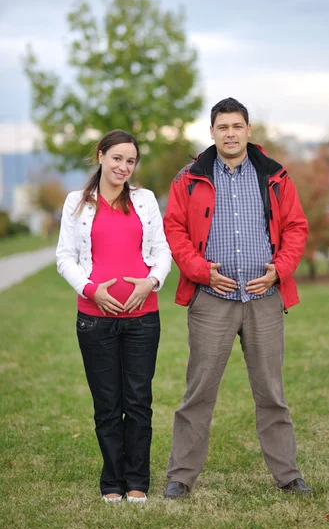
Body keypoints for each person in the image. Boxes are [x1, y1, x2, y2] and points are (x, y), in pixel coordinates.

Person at [163, 97, 312, 499]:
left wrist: (279, 269)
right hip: (211, 298)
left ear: (248, 130)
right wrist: (199, 270)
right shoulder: (189, 177)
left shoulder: (275, 175)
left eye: (237, 126)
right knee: (198, 392)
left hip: (264, 299)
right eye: (222, 127)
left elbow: (297, 227)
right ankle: (180, 477)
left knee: (272, 393)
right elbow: (174, 229)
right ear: (211, 132)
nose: (230, 133)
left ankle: (288, 476)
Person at [56, 129, 171, 503]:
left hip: (143, 317)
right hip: (94, 319)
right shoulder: (77, 202)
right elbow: (65, 258)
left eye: (131, 160)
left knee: (138, 401)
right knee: (107, 404)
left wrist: (150, 282)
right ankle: (112, 481)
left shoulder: (145, 199)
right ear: (101, 156)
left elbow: (162, 250)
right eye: (117, 158)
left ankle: (137, 481)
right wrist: (92, 290)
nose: (123, 166)